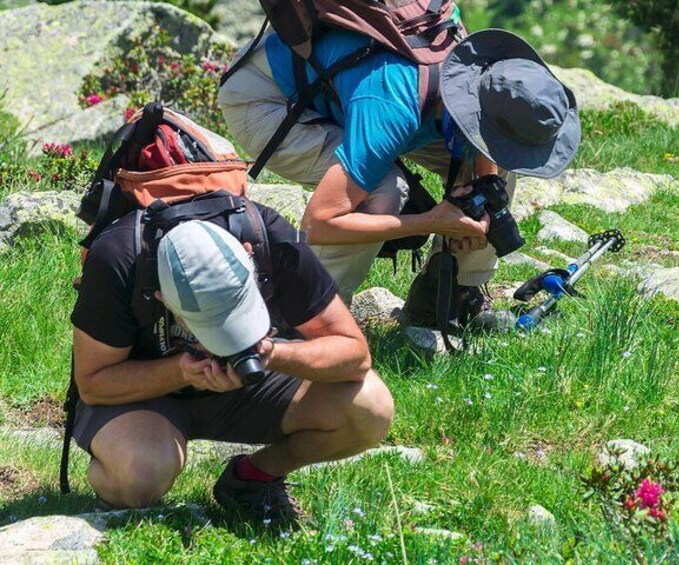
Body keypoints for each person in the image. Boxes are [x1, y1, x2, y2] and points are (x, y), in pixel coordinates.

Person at [218, 27, 580, 327]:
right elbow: (323, 221)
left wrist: (479, 192)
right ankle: (307, 319)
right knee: (383, 190)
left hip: (354, 91)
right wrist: (429, 221)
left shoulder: (480, 69)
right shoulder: (393, 108)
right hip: (267, 95)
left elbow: (491, 151)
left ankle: (449, 295)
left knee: (498, 173)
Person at [70, 204, 394, 527]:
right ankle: (115, 492)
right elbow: (94, 382)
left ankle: (252, 478)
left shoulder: (269, 238)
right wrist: (180, 371)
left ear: (248, 255)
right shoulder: (118, 258)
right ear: (161, 297)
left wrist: (270, 354)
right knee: (138, 476)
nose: (223, 342)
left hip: (252, 382)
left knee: (370, 407)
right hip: (145, 397)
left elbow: (354, 354)